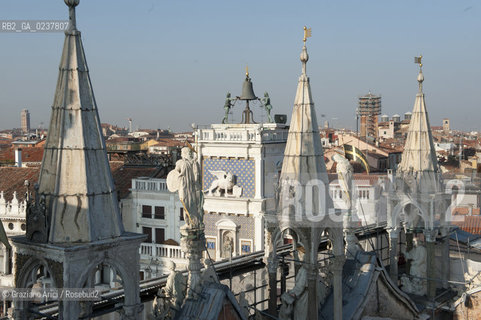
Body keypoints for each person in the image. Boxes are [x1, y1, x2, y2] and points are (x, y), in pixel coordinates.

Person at [170, 147, 203, 228]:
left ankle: (190, 223)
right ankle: (194, 223)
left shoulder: (181, 163)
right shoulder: (195, 163)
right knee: (195, 207)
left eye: (181, 152)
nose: (181, 154)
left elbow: (175, 174)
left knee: (186, 205)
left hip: (185, 188)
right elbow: (198, 178)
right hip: (195, 189)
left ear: (184, 153)